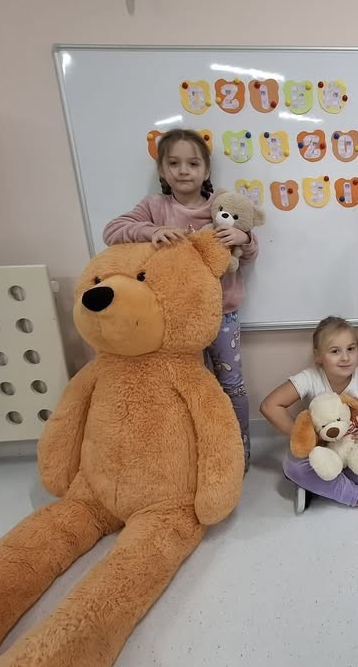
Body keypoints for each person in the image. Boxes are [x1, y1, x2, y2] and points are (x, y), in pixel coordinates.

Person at [103, 128, 257, 470]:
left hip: (222, 314)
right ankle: (194, 454)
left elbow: (249, 252)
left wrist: (244, 238)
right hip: (175, 320)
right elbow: (112, 231)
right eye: (173, 163)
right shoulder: (154, 207)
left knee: (231, 384)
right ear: (162, 170)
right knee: (186, 386)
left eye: (192, 164)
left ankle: (239, 452)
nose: (183, 171)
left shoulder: (221, 204)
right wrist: (152, 231)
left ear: (206, 170)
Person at [260, 316, 358, 515]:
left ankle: (318, 486)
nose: (345, 357)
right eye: (335, 351)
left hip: (353, 444)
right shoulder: (310, 377)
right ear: (318, 356)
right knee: (292, 466)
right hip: (322, 448)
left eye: (351, 349)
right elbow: (269, 406)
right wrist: (303, 436)